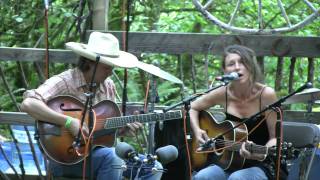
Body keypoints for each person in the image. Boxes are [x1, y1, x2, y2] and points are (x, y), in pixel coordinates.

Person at [21, 32, 162, 180]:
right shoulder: (64, 81)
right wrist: (68, 121)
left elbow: (101, 130)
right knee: (114, 158)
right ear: (90, 62)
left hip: (98, 154)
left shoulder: (108, 86)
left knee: (153, 167)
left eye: (112, 67)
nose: (111, 72)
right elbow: (28, 104)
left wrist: (124, 129)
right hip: (66, 156)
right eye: (107, 67)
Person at [190, 45, 285, 180]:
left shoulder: (266, 94)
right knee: (203, 176)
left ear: (250, 66)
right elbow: (193, 107)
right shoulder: (222, 93)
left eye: (242, 62)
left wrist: (262, 153)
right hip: (229, 162)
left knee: (238, 178)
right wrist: (197, 131)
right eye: (231, 64)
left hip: (262, 163)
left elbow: (275, 138)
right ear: (225, 70)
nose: (237, 67)